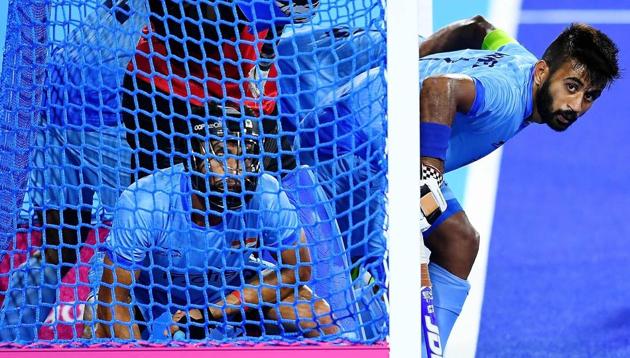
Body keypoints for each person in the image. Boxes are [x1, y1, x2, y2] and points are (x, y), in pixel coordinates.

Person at [296, 18, 620, 350]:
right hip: (350, 144)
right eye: (571, 86)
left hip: (384, 144)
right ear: (542, 73)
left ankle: (425, 351)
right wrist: (429, 179)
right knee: (355, 297)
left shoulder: (520, 60)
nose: (577, 105)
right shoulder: (507, 98)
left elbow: (477, 27)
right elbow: (440, 88)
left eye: (589, 95)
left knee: (459, 241)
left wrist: (409, 63)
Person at [92, 105, 338, 340]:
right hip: (152, 292)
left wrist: (213, 311)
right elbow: (113, 297)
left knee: (318, 316)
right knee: (95, 321)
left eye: (242, 155)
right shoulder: (144, 202)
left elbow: (298, 269)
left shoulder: (266, 193)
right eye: (220, 153)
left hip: (228, 285)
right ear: (194, 156)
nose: (232, 169)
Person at [0, 0, 146, 342]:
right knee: (126, 243)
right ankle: (103, 342)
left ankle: (10, 340)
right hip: (98, 115)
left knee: (60, 246)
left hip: (53, 106)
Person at [121, 0, 318, 182]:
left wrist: (287, 9)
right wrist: (253, 6)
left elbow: (279, 17)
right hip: (173, 99)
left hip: (250, 94)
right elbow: (185, 38)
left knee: (287, 197)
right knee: (173, 201)